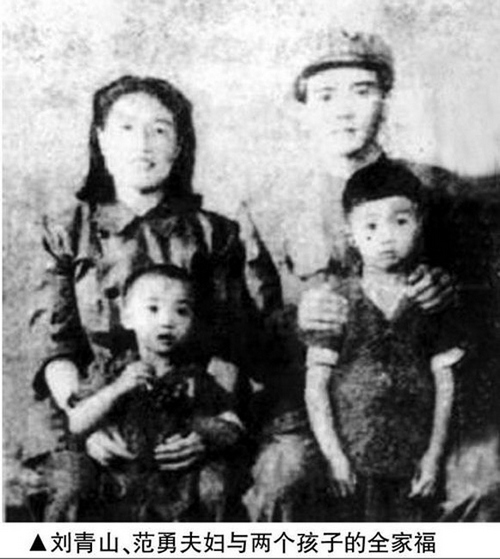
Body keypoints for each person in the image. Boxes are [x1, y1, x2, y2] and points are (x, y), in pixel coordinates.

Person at [243, 28, 499, 521]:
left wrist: (452, 295)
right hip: (314, 407)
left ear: (385, 99)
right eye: (325, 96)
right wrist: (296, 320)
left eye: (361, 91)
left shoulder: (440, 191)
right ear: (302, 109)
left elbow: (488, 308)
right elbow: (247, 335)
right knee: (281, 478)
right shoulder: (269, 208)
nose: (344, 110)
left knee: (482, 482)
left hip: (434, 401)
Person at [24, 75, 271, 521]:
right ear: (102, 140)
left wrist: (205, 430)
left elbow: (230, 345)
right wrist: (90, 423)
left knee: (216, 492)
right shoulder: (66, 230)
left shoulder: (214, 234)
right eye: (126, 128)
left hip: (187, 414)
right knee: (72, 490)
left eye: (159, 129)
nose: (143, 143)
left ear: (179, 145)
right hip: (90, 409)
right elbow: (55, 348)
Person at [304, 158, 466, 521]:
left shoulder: (430, 299)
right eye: (371, 226)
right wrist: (334, 457)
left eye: (401, 221)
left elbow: (446, 383)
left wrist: (433, 457)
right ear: (350, 234)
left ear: (420, 223)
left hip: (412, 457)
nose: (387, 236)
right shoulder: (335, 302)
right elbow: (316, 386)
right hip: (353, 458)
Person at [54, 264, 243, 521]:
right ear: (127, 317)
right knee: (75, 485)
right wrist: (119, 388)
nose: (167, 321)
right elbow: (76, 422)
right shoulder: (112, 371)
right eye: (153, 309)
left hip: (179, 485)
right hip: (119, 479)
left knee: (216, 486)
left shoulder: (195, 377)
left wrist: (204, 433)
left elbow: (232, 427)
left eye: (181, 311)